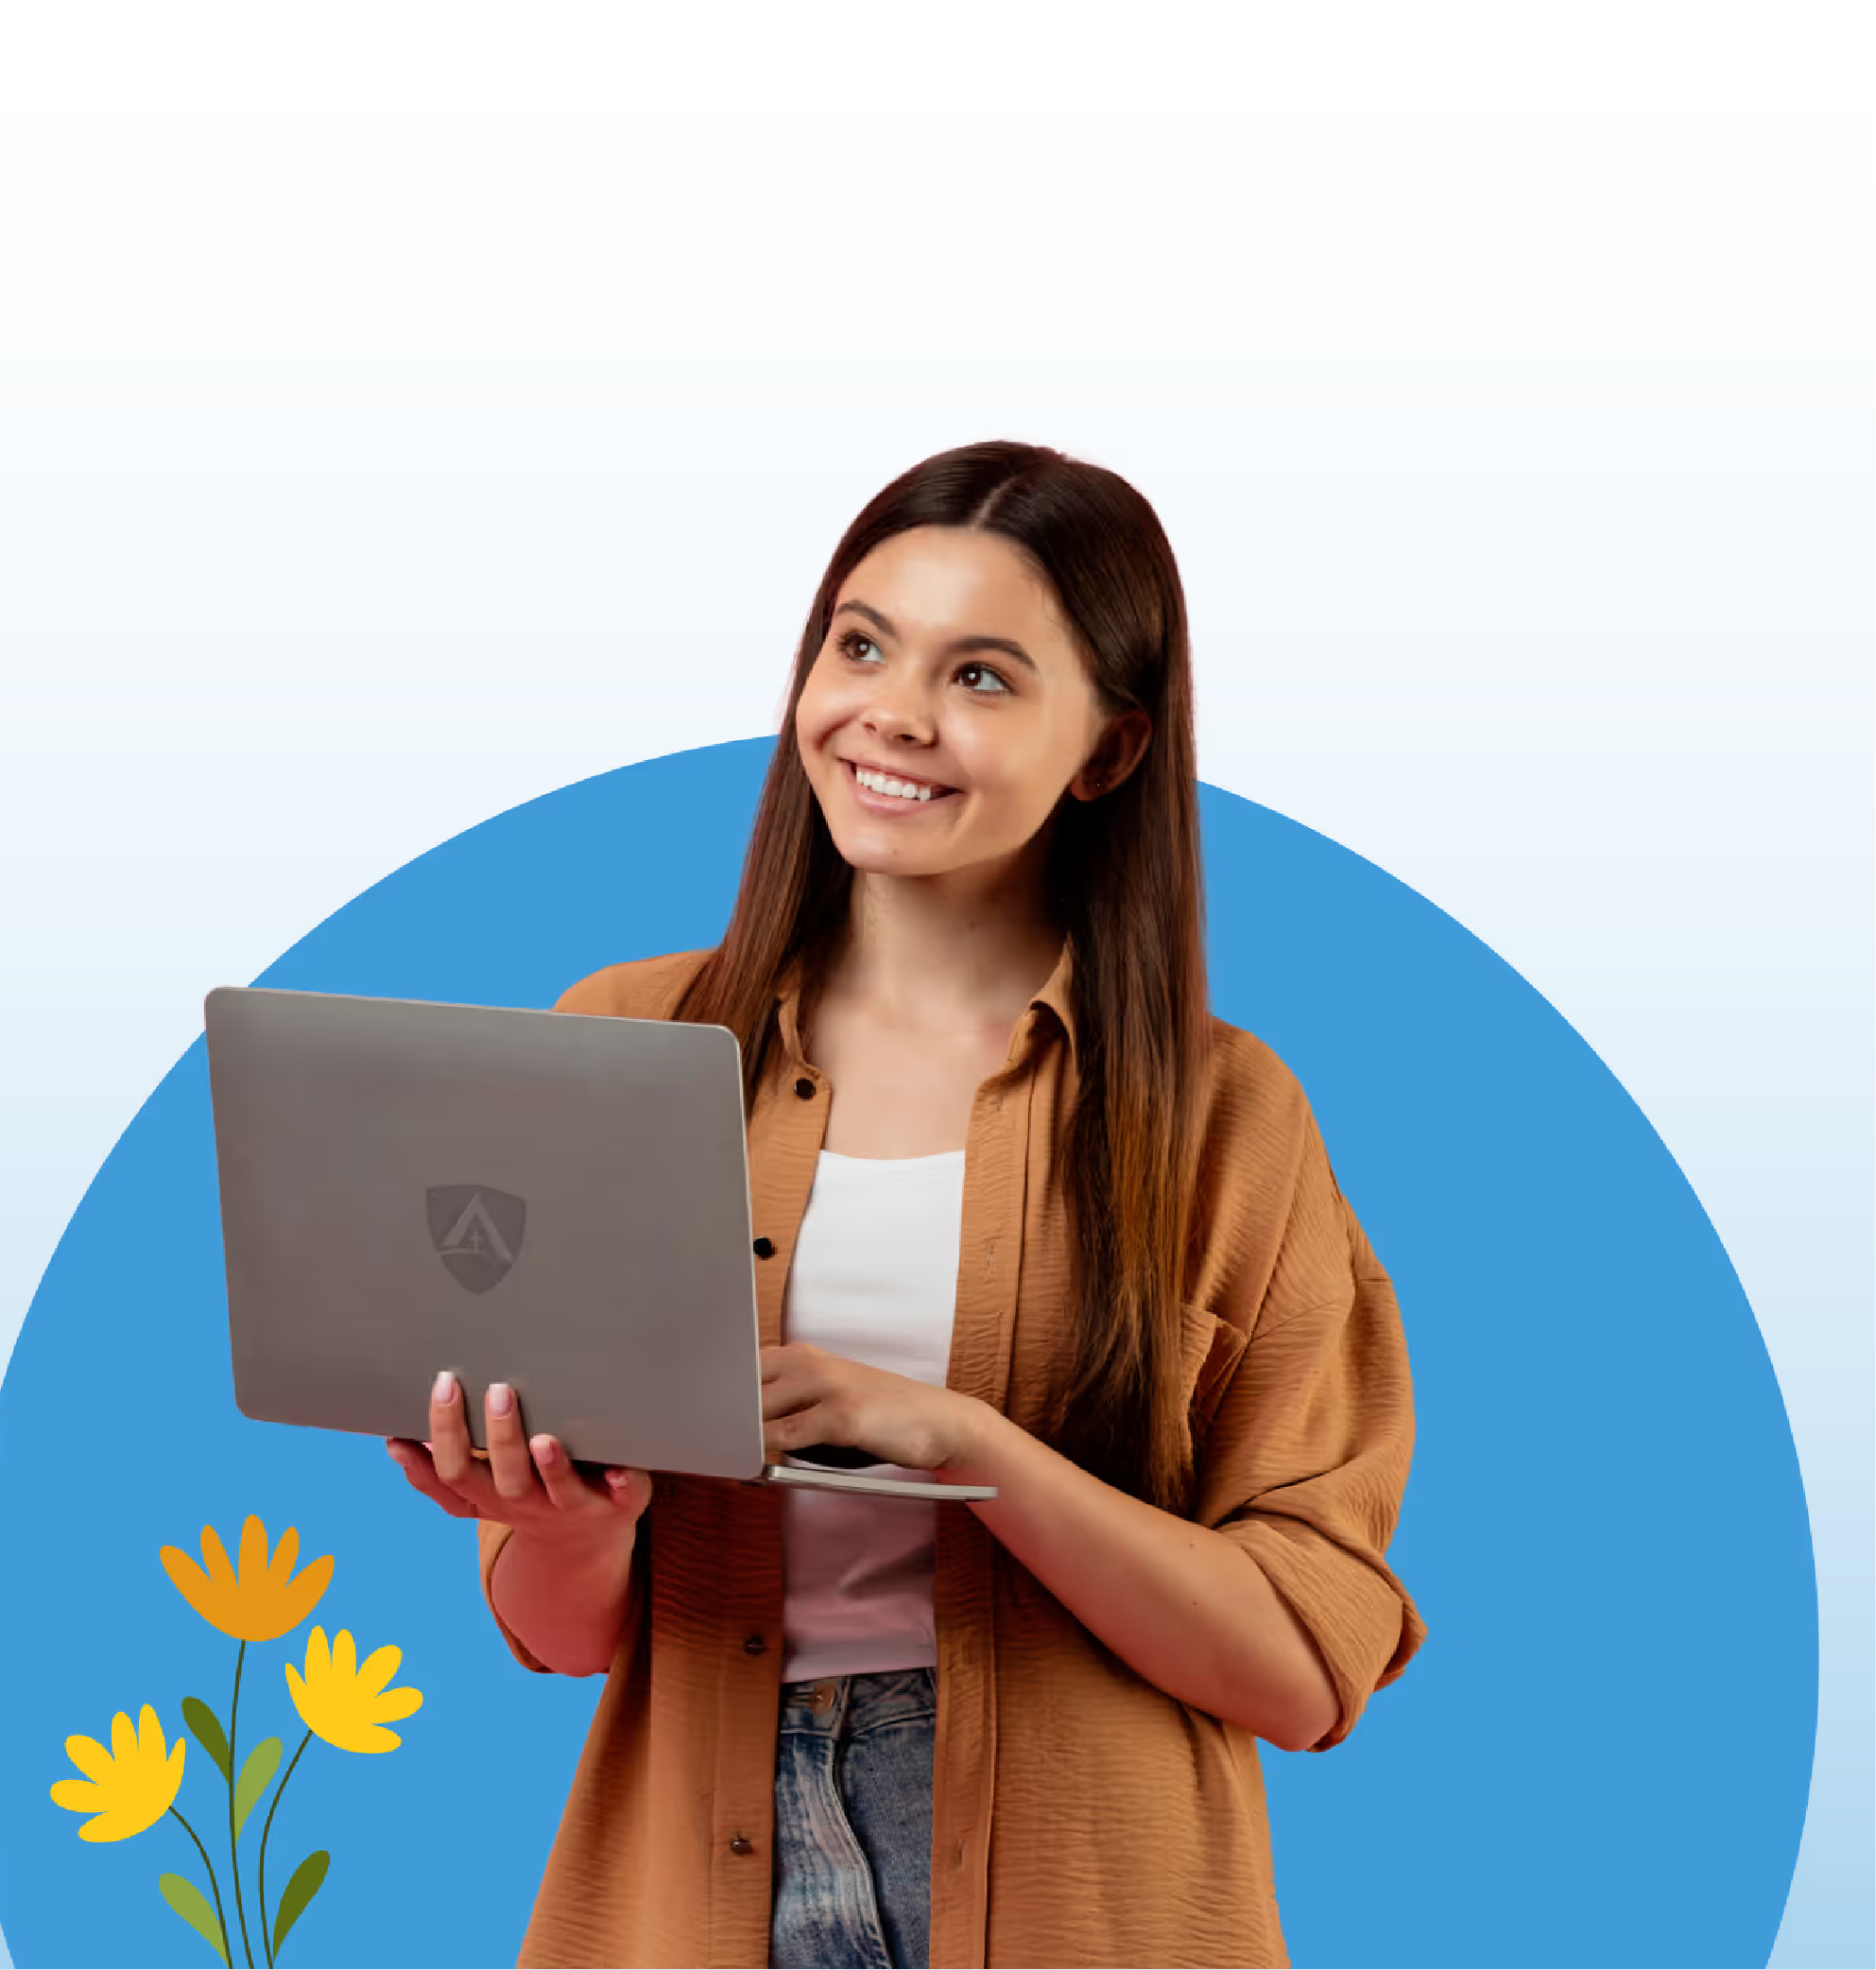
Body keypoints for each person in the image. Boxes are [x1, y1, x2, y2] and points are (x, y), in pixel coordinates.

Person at [386, 439, 1427, 1969]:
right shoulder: (625, 1041)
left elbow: (1304, 1665)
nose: (892, 712)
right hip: (699, 1878)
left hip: (1092, 1898)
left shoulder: (1224, 1115)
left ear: (1110, 750)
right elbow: (564, 1636)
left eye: (982, 677)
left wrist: (966, 1446)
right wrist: (557, 1524)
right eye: (862, 646)